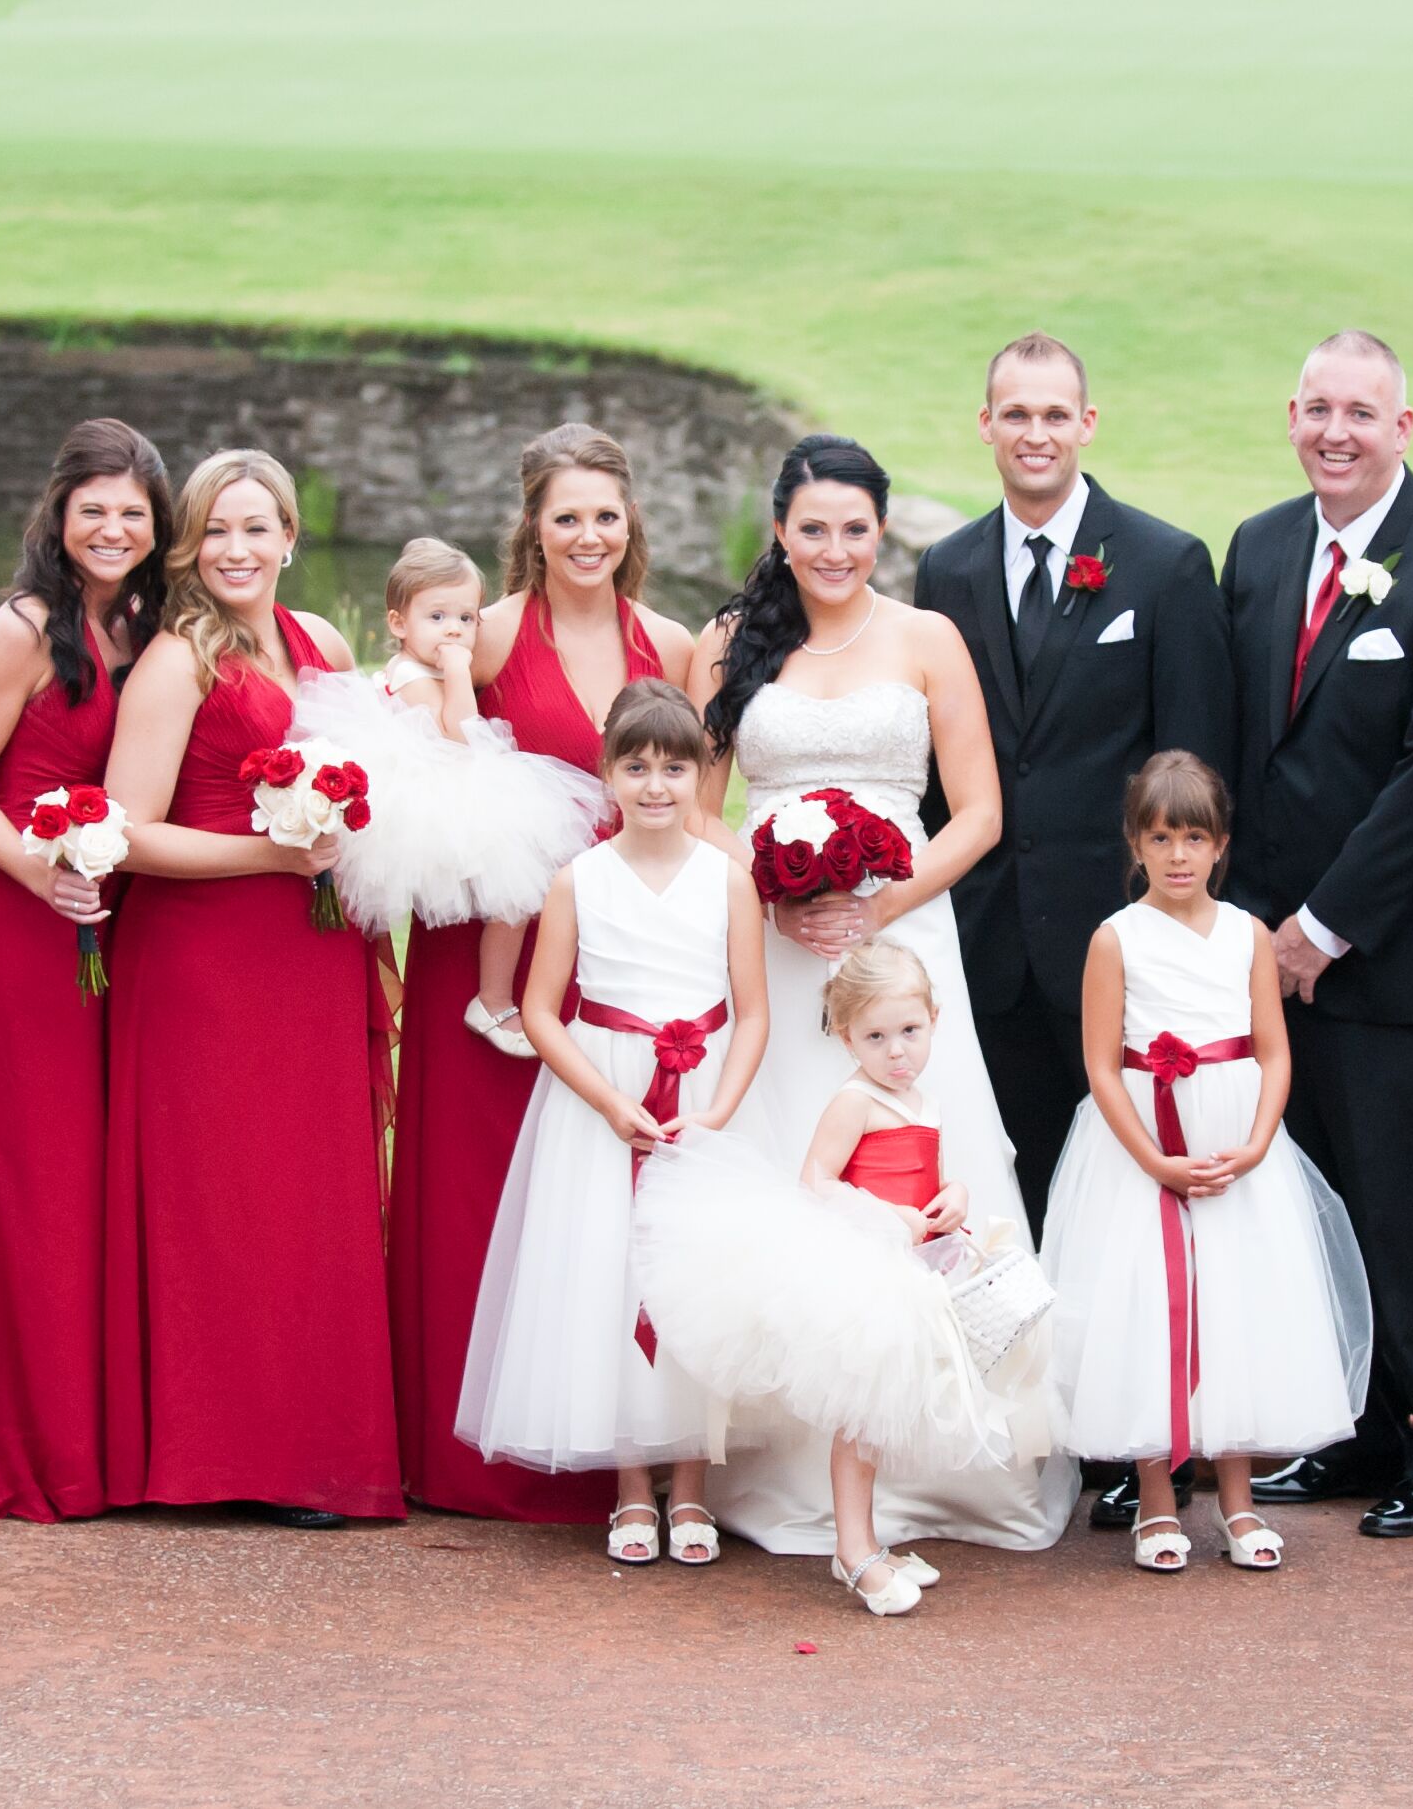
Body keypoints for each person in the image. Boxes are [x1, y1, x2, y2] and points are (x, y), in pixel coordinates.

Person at [685, 433, 1078, 1555]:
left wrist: (882, 906)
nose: (834, 548)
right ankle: (784, 1456)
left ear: (881, 530)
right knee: (795, 1175)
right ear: (779, 530)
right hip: (778, 942)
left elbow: (978, 815)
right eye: (811, 527)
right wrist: (772, 891)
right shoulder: (729, 641)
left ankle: (943, 1461)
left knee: (923, 1166)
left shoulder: (925, 637)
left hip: (903, 946)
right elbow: (702, 807)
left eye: (855, 528)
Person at [914, 333, 1236, 1531]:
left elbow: (1193, 767)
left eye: (1055, 412)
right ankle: (1027, 1422)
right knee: (1015, 1189)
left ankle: (1143, 1440)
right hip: (987, 936)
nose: (1034, 432)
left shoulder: (1162, 563)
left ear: (1089, 422)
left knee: (1124, 1196)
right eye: (1013, 412)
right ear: (984, 423)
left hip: (1120, 945)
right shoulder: (942, 571)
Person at [1220, 333, 1413, 1540]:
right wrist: (1251, 923)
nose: (1335, 431)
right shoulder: (1259, 547)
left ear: (1405, 427)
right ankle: (1352, 1434)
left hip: (1401, 961)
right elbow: (1248, 745)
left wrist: (1324, 926)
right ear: (1290, 415)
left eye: (1361, 412)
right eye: (1316, 409)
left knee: (1409, 1210)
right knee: (1317, 1209)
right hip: (1273, 953)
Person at [387, 425, 694, 1524]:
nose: (587, 534)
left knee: (605, 1203)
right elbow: (414, 752)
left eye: (605, 514)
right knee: (477, 1187)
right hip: (487, 949)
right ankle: (471, 1454)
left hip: (616, 960)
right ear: (532, 525)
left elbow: (693, 808)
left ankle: (617, 1436)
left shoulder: (667, 638)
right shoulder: (483, 633)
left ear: (631, 523)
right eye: (565, 515)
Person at [98, 448, 401, 1525]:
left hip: (310, 950)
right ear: (190, 543)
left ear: (289, 535)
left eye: (256, 527)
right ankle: (210, 1449)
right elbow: (124, 830)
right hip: (205, 957)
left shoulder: (318, 640)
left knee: (304, 1193)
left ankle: (303, 1445)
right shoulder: (180, 658)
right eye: (215, 530)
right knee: (219, 1196)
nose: (236, 549)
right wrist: (272, 857)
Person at [0, 418, 170, 1524]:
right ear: (58, 516)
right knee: (29, 1177)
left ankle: (92, 1434)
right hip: (22, 928)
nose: (112, 528)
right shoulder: (26, 625)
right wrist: (35, 868)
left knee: (94, 1182)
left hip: (115, 924)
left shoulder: (152, 625)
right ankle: (14, 1443)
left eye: (132, 511)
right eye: (93, 508)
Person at [637, 944, 1058, 1618]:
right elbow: (818, 1182)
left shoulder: (926, 1100)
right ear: (845, 1036)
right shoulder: (854, 1100)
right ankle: (855, 1548)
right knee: (863, 1423)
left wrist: (955, 1194)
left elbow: (935, 1173)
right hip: (867, 1272)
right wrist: (888, 1215)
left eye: (910, 1032)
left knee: (887, 1419)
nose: (896, 1052)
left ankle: (867, 1540)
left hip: (918, 1267)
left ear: (934, 1020)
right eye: (876, 1037)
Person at [457, 681, 768, 1565]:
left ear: (703, 773)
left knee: (697, 1286)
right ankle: (634, 1487)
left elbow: (751, 1012)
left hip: (702, 1100)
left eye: (676, 767)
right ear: (607, 776)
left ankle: (693, 1484)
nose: (657, 785)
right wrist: (606, 1099)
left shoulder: (728, 881)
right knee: (608, 1276)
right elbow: (544, 1011)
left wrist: (716, 1112)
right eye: (637, 767)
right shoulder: (578, 880)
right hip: (603, 1102)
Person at [1038, 753, 1370, 1574]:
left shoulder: (1250, 935)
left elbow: (1272, 1050)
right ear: (1135, 843)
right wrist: (1152, 1157)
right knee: (1150, 1307)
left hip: (1234, 1146)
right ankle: (1156, 1496)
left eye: (1195, 836)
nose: (1178, 854)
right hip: (1142, 1146)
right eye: (1161, 837)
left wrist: (1258, 1141)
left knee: (1236, 1304)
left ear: (1221, 844)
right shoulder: (1115, 939)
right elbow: (1103, 1063)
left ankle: (1238, 1499)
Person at [305, 539, 609, 1039]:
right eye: (438, 617)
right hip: (431, 797)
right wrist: (457, 671)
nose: (453, 630)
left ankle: (495, 996)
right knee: (517, 891)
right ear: (399, 624)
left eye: (466, 619)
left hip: (448, 783)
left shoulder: (419, 665)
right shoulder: (411, 674)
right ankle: (492, 1000)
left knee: (519, 894)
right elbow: (462, 732)